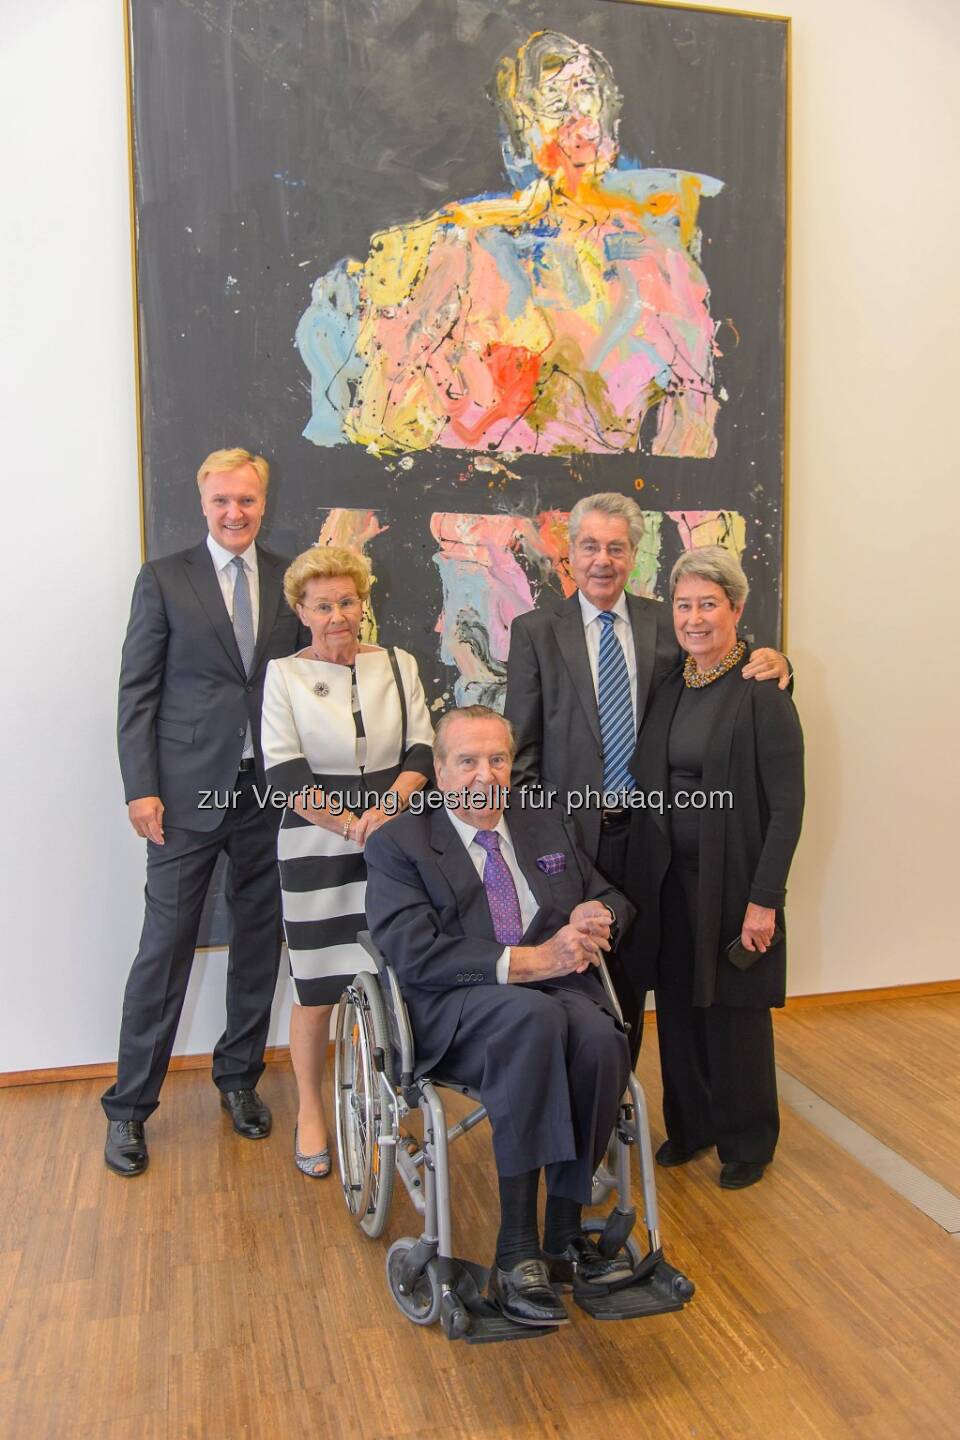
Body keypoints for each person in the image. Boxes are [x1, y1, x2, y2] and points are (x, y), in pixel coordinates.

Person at [298, 30, 725, 459]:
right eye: (555, 104)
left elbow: (692, 430)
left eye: (587, 93)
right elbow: (395, 423)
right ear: (526, 129)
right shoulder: (467, 248)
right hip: (472, 504)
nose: (580, 119)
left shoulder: (659, 264)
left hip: (602, 513)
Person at [364, 706, 633, 1328]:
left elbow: (611, 894)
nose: (484, 775)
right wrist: (531, 960)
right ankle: (516, 1250)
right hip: (458, 1007)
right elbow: (413, 952)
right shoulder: (399, 844)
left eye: (497, 759)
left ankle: (563, 1231)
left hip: (558, 996)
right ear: (438, 770)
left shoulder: (540, 824)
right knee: (530, 1021)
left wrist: (600, 916)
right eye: (467, 761)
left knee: (598, 1037)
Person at [504, 492, 790, 1060]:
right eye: (590, 546)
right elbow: (522, 753)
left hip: (653, 838)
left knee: (640, 972)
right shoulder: (536, 630)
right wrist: (543, 838)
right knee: (579, 972)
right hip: (574, 839)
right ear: (571, 553)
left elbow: (723, 671)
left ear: (634, 554)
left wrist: (779, 665)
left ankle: (623, 1104)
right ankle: (587, 1112)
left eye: (616, 547)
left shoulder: (667, 622)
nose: (602, 559)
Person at [103, 447, 306, 1177]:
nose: (235, 512)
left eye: (247, 500)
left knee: (258, 944)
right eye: (222, 500)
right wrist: (140, 787)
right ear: (203, 502)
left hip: (265, 797)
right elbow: (138, 693)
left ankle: (239, 1081)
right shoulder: (163, 579)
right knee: (165, 951)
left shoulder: (292, 579)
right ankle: (128, 1110)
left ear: (263, 499)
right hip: (185, 798)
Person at [625, 547, 804, 1189]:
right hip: (670, 878)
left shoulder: (762, 690)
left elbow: (787, 808)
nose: (694, 618)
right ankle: (692, 1127)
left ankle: (747, 1141)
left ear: (735, 610)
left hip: (732, 881)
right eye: (684, 605)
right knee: (677, 1005)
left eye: (708, 605)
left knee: (734, 1009)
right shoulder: (673, 681)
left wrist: (766, 901)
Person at [260, 546, 434, 1177]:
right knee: (316, 985)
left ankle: (396, 1103)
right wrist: (341, 822)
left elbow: (421, 748)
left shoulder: (398, 662)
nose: (338, 614)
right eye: (323, 604)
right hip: (313, 843)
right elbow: (283, 769)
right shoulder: (283, 676)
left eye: (347, 601)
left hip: (399, 832)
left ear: (363, 602)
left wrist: (383, 813)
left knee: (398, 975)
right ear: (302, 611)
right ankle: (311, 1110)